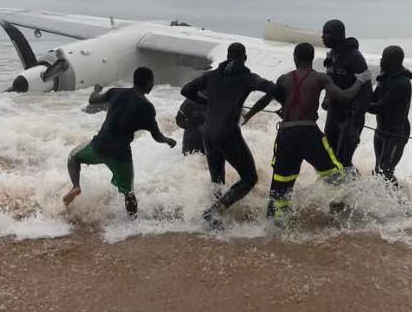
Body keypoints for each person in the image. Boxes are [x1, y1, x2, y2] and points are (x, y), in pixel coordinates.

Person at [243, 43, 372, 227]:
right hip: (309, 133)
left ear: (295, 57)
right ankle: (343, 217)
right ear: (312, 59)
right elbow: (344, 96)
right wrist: (360, 81)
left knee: (281, 182)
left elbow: (267, 98)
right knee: (335, 175)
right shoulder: (321, 78)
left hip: (286, 133)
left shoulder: (284, 79)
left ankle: (273, 226)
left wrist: (247, 116)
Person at [180, 42, 280, 229]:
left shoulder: (210, 76)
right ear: (245, 58)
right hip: (228, 133)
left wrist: (207, 101)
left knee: (217, 180)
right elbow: (274, 90)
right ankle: (214, 211)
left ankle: (214, 222)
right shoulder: (248, 78)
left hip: (208, 134)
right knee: (250, 179)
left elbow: (185, 90)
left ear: (227, 56)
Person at [63, 67, 177, 217]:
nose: (152, 85)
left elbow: (93, 99)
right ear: (148, 82)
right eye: (152, 82)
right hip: (120, 155)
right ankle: (132, 222)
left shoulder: (116, 92)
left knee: (73, 157)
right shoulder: (147, 107)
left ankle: (76, 186)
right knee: (129, 193)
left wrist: (96, 89)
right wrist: (168, 140)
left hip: (99, 146)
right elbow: (157, 136)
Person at [321, 19, 372, 176]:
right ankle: (334, 190)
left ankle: (354, 192)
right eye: (323, 33)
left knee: (343, 160)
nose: (323, 36)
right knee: (328, 156)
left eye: (327, 33)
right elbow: (330, 82)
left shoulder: (354, 57)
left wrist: (355, 121)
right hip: (333, 114)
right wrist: (326, 98)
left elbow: (367, 90)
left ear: (339, 34)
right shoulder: (331, 56)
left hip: (350, 117)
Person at [368, 46, 412, 187]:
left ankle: (400, 203)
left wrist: (360, 105)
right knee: (378, 170)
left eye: (384, 58)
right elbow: (373, 99)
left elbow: (381, 107)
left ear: (392, 61)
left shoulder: (402, 83)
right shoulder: (383, 79)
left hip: (396, 135)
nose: (381, 60)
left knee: (386, 170)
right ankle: (382, 201)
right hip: (380, 131)